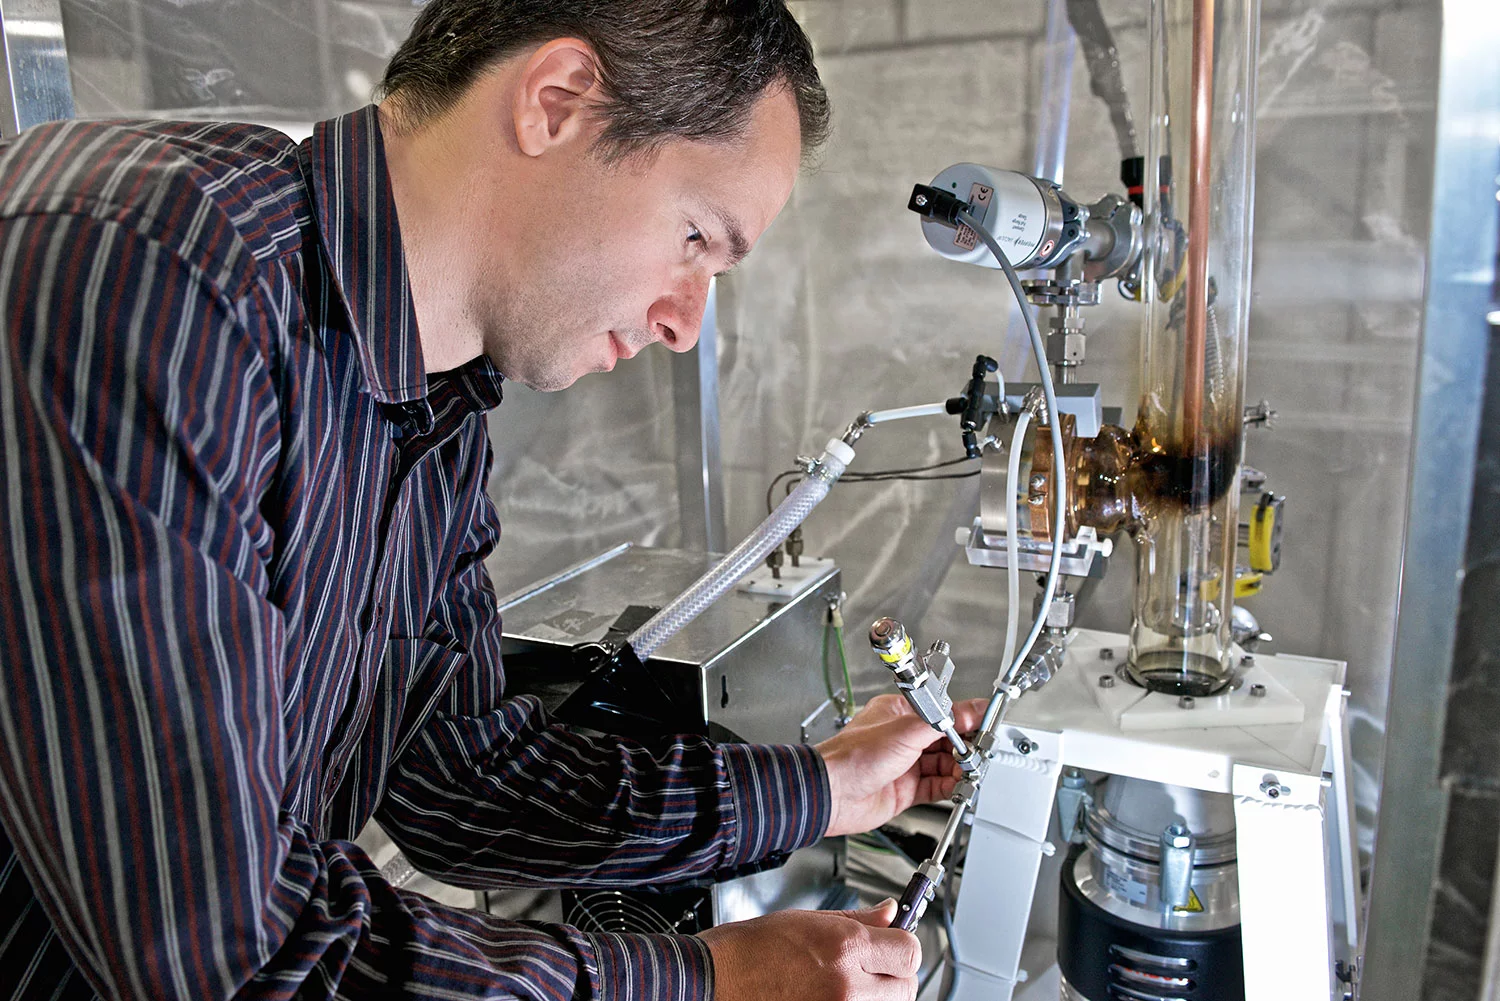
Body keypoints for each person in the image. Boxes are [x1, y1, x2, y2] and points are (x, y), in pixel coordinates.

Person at [0, 2, 985, 999]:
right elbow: (227, 952)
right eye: (695, 237)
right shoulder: (150, 269)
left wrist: (821, 786)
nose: (686, 324)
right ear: (557, 102)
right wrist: (706, 980)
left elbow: (464, 778)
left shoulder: (432, 404)